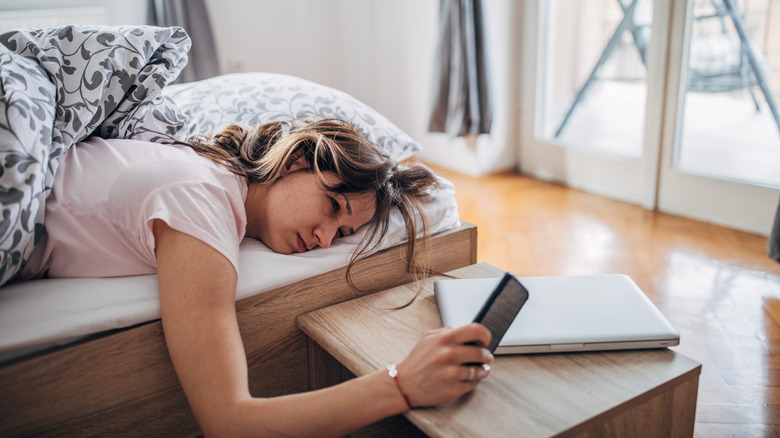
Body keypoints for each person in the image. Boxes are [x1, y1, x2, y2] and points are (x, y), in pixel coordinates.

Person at [14, 118, 494, 436]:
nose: (325, 238)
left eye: (343, 233)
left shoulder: (209, 176)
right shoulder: (199, 201)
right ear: (296, 160)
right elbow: (229, 422)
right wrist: (402, 384)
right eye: (332, 206)